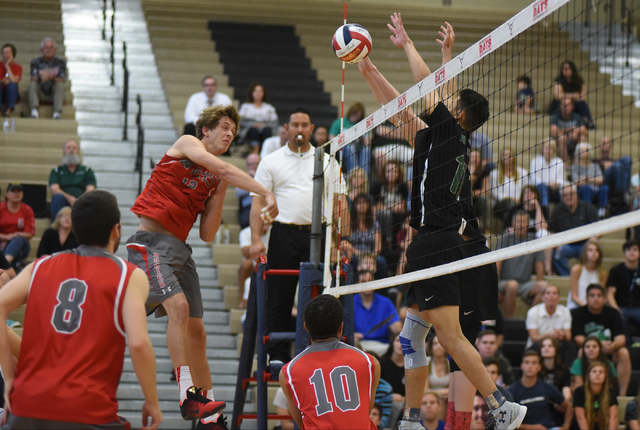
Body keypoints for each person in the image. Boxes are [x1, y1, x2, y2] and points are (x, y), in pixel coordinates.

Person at [359, 15, 526, 428]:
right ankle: (413, 419)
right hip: (433, 243)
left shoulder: (452, 135)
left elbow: (435, 87)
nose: (441, 102)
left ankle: (502, 405)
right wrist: (368, 68)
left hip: (441, 243)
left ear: (457, 113)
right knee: (412, 337)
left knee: (451, 338)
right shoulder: (439, 141)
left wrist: (409, 45)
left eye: (449, 103)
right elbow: (399, 113)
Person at [126, 105, 278, 427]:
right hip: (149, 243)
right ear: (205, 131)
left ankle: (210, 416)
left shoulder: (218, 174)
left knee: (198, 331)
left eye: (233, 132)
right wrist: (264, 191)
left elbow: (208, 234)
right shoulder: (186, 144)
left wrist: (221, 186)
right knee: (178, 309)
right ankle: (186, 394)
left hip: (180, 249)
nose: (228, 134)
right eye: (223, 127)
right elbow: (217, 166)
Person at [0, 190, 162, 429]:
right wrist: (152, 400)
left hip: (27, 408)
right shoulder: (128, 274)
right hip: (86, 410)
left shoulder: (40, 266)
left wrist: (10, 373)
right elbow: (138, 344)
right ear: (116, 229)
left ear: (75, 228)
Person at [249, 107, 347, 363]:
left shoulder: (327, 161)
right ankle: (278, 356)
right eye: (295, 125)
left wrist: (341, 239)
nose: (300, 129)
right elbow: (258, 203)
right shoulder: (271, 161)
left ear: (312, 129)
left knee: (323, 297)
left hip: (320, 234)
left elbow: (340, 204)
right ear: (286, 129)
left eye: (305, 124)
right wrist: (256, 240)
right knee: (279, 297)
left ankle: (321, 353)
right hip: (283, 234)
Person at [279, 294, 380, 429]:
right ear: (341, 327)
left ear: (306, 327)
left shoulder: (288, 372)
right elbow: (365, 410)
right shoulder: (369, 362)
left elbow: (301, 421)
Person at [571, 284, 630, 396]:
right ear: (587, 298)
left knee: (624, 353)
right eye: (592, 296)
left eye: (599, 296)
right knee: (581, 352)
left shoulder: (613, 313)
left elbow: (621, 339)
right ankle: (582, 393)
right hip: (589, 350)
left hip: (608, 350)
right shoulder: (578, 313)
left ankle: (621, 396)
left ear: (604, 299)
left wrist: (612, 346)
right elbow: (578, 338)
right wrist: (595, 345)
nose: (595, 299)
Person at [496, 210, 547, 318]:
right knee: (512, 285)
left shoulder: (534, 240)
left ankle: (530, 319)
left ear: (528, 224)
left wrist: (539, 281)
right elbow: (497, 263)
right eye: (518, 221)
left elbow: (539, 265)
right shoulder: (505, 239)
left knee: (544, 286)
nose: (521, 224)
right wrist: (495, 287)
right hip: (505, 282)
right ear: (513, 224)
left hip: (524, 284)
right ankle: (509, 322)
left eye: (523, 221)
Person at [507, 351, 571, 430]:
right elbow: (506, 422)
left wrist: (566, 427)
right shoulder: (512, 391)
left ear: (539, 367)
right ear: (522, 366)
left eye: (534, 363)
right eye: (527, 362)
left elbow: (568, 406)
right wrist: (532, 428)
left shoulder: (547, 387)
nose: (530, 366)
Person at [548, 183, 598, 276]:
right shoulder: (557, 210)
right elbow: (552, 231)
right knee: (556, 254)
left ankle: (586, 275)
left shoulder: (588, 208)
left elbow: (598, 228)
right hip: (566, 245)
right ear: (561, 198)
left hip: (584, 244)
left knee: (593, 249)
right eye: (565, 195)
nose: (568, 197)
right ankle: (569, 276)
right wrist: (556, 243)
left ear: (576, 194)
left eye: (571, 194)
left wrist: (593, 239)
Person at [354, 271, 402, 356]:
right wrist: (352, 335)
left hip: (383, 346)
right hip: (360, 345)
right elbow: (344, 330)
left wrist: (397, 328)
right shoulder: (351, 303)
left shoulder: (385, 302)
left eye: (370, 280)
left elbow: (397, 329)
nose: (367, 284)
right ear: (357, 283)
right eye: (364, 282)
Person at [525, 284, 576, 364]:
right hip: (539, 344)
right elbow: (534, 338)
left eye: (554, 293)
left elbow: (568, 336)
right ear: (543, 297)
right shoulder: (533, 312)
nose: (551, 296)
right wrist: (548, 335)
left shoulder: (565, 311)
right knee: (536, 346)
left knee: (570, 346)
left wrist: (561, 335)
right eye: (548, 293)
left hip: (557, 344)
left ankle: (568, 371)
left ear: (559, 298)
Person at [49, 140, 97, 222]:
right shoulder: (56, 170)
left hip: (82, 200)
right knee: (58, 197)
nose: (71, 150)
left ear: (78, 151)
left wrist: (79, 200)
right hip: (63, 200)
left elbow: (91, 189)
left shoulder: (86, 170)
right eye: (68, 148)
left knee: (91, 198)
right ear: (64, 151)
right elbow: (54, 189)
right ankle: (57, 229)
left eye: (74, 148)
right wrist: (70, 198)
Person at [572, 361, 619, 430]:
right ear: (588, 375)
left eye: (601, 372)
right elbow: (580, 417)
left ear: (605, 376)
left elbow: (613, 417)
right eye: (594, 371)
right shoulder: (579, 391)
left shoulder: (610, 392)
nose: (597, 374)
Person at [489, 147, 528, 229]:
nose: (507, 157)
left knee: (510, 209)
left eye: (509, 155)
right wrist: (510, 198)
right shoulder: (494, 174)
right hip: (499, 206)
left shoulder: (523, 173)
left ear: (514, 157)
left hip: (518, 203)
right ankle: (510, 226)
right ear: (501, 158)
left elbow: (526, 190)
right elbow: (494, 193)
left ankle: (509, 229)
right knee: (510, 203)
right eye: (504, 155)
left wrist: (520, 199)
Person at [549, 60, 595, 129]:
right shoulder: (558, 80)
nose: (565, 71)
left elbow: (583, 96)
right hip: (561, 102)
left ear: (572, 69)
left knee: (582, 104)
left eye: (567, 69)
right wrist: (573, 95)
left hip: (574, 103)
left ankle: (588, 123)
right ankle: (557, 123)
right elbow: (558, 96)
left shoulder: (579, 81)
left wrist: (566, 96)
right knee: (558, 104)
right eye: (564, 69)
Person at [606, 239, 640, 331]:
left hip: (638, 308)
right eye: (628, 250)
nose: (631, 252)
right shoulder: (616, 270)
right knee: (617, 322)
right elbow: (610, 293)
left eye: (635, 250)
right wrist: (616, 309)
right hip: (622, 308)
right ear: (624, 253)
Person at [29, 37, 66, 119]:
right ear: (41, 50)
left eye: (51, 48)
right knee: (33, 84)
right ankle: (34, 110)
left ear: (55, 49)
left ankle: (57, 112)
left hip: (54, 93)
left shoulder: (61, 62)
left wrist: (50, 77)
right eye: (46, 48)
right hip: (40, 91)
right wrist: (41, 76)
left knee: (60, 85)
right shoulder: (35, 62)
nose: (48, 50)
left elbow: (62, 79)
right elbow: (33, 78)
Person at [0, 185, 35, 271]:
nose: (16, 194)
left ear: (22, 194)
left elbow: (29, 233)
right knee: (17, 253)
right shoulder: (1, 208)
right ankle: (12, 269)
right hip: (2, 243)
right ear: (7, 194)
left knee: (19, 238)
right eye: (13, 191)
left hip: (21, 244)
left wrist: (13, 236)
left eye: (18, 191)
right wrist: (7, 237)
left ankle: (5, 265)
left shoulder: (27, 210)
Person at [330, 103, 370, 175]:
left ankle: (364, 175)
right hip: (345, 148)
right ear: (350, 112)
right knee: (350, 148)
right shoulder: (339, 122)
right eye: (354, 114)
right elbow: (331, 137)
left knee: (366, 149)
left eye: (358, 116)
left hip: (358, 147)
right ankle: (354, 175)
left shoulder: (362, 123)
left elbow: (367, 141)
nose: (356, 117)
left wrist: (362, 139)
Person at [238, 82, 279, 154]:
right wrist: (252, 124)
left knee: (267, 130)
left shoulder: (269, 108)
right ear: (252, 93)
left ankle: (265, 150)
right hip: (250, 129)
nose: (258, 93)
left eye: (260, 91)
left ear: (264, 93)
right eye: (255, 91)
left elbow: (274, 122)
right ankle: (255, 150)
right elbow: (241, 121)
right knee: (254, 130)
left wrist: (263, 125)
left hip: (265, 129)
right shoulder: (245, 107)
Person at [572, 142, 609, 218]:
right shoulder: (574, 167)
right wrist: (592, 179)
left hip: (596, 191)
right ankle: (587, 211)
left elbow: (601, 179)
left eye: (587, 150)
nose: (586, 153)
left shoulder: (595, 166)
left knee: (604, 188)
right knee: (587, 189)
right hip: (583, 191)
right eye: (583, 150)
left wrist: (587, 179)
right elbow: (575, 182)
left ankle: (602, 211)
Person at [569, 239, 607, 310]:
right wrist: (586, 308)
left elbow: (601, 296)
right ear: (585, 253)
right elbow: (573, 296)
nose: (593, 253)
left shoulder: (602, 273)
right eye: (590, 250)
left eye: (596, 250)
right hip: (576, 307)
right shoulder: (577, 269)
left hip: (594, 309)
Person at [529, 138, 566, 209]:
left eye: (550, 149)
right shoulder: (535, 161)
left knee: (565, 188)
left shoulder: (559, 162)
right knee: (543, 186)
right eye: (546, 148)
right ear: (542, 149)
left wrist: (557, 183)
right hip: (540, 190)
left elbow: (562, 179)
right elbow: (534, 180)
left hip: (555, 190)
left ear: (554, 150)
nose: (548, 151)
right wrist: (548, 184)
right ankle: (544, 209)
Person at [549, 97, 588, 163]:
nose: (566, 107)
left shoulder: (576, 116)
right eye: (564, 105)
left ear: (572, 106)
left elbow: (584, 131)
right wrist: (570, 130)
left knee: (582, 137)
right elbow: (553, 132)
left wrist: (575, 132)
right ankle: (565, 164)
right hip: (560, 142)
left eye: (568, 105)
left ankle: (576, 163)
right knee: (562, 137)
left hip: (574, 140)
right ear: (560, 106)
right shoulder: (556, 116)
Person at [381, 334, 406, 401]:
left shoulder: (413, 364)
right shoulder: (382, 363)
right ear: (392, 343)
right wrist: (389, 395)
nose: (401, 344)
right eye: (398, 341)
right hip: (387, 400)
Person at [0, 44, 22, 117]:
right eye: (4, 52)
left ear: (13, 54)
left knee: (12, 85)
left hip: (11, 92)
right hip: (1, 91)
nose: (6, 54)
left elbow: (14, 80)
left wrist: (7, 66)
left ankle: (9, 110)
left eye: (8, 52)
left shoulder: (18, 67)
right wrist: (2, 81)